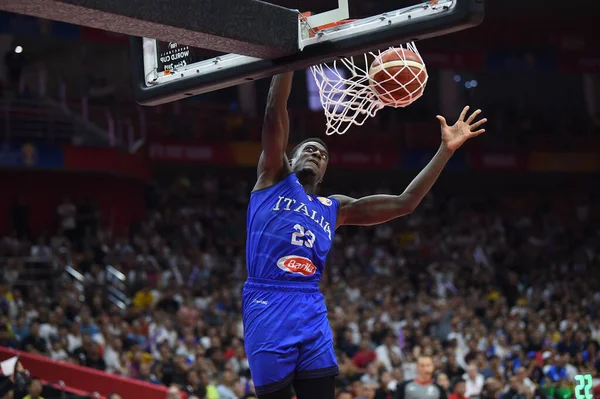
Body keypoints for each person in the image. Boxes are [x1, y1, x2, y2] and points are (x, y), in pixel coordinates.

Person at [243, 72, 487, 399]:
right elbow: (275, 110)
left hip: (309, 304)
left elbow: (405, 203)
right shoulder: (272, 177)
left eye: (323, 154)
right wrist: (288, 59)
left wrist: (445, 150)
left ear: (327, 169)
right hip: (268, 299)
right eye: (309, 149)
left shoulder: (335, 208)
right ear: (289, 156)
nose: (316, 153)